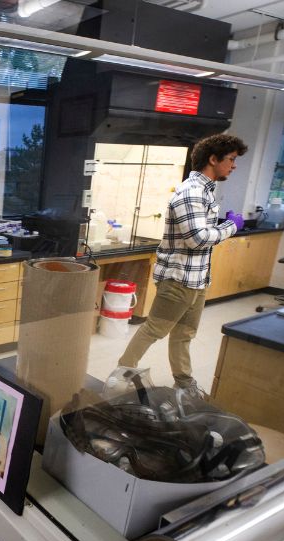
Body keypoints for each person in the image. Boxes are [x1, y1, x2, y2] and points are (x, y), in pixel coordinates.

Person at [116, 133, 248, 395]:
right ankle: (122, 374)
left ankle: (184, 382)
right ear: (213, 159)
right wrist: (231, 226)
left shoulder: (206, 192)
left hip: (197, 280)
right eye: (231, 159)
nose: (234, 165)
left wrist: (221, 226)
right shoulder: (191, 193)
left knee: (184, 334)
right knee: (154, 329)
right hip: (178, 280)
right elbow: (198, 239)